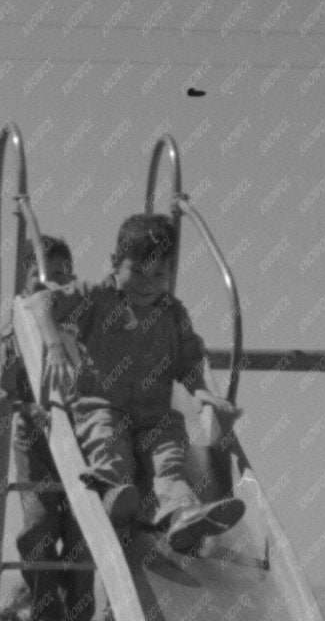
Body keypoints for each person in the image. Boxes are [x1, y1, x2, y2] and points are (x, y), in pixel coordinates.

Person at [31, 210, 246, 558]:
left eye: (159, 274)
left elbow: (190, 361)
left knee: (169, 461)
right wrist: (54, 346)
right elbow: (41, 301)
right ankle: (114, 492)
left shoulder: (172, 314)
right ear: (116, 263)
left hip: (154, 415)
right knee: (108, 442)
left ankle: (180, 516)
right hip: (102, 405)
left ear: (170, 274)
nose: (147, 283)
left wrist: (202, 392)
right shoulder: (96, 297)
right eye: (137, 272)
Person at [0, 232, 94, 621]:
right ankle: (46, 609)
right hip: (35, 435)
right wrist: (0, 381)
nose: (50, 283)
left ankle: (77, 620)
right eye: (41, 275)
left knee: (83, 528)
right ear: (23, 281)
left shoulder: (77, 319)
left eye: (61, 275)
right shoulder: (15, 322)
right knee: (40, 522)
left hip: (80, 434)